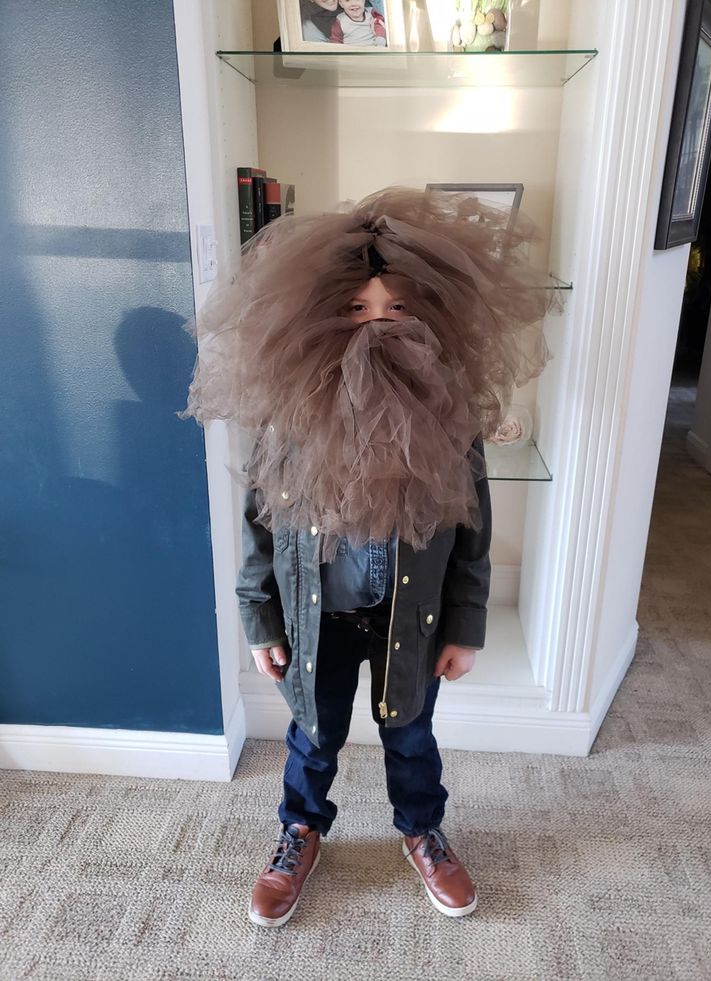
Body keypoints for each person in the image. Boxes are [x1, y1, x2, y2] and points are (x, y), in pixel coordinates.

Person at [179, 186, 555, 927]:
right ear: (320, 314)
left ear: (427, 318)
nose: (375, 326)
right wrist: (261, 619)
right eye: (356, 309)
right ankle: (300, 828)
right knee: (311, 735)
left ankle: (422, 827)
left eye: (396, 310)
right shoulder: (293, 410)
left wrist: (464, 623)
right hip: (318, 616)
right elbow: (259, 517)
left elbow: (472, 524)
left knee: (411, 732)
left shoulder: (448, 413)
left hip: (407, 617)